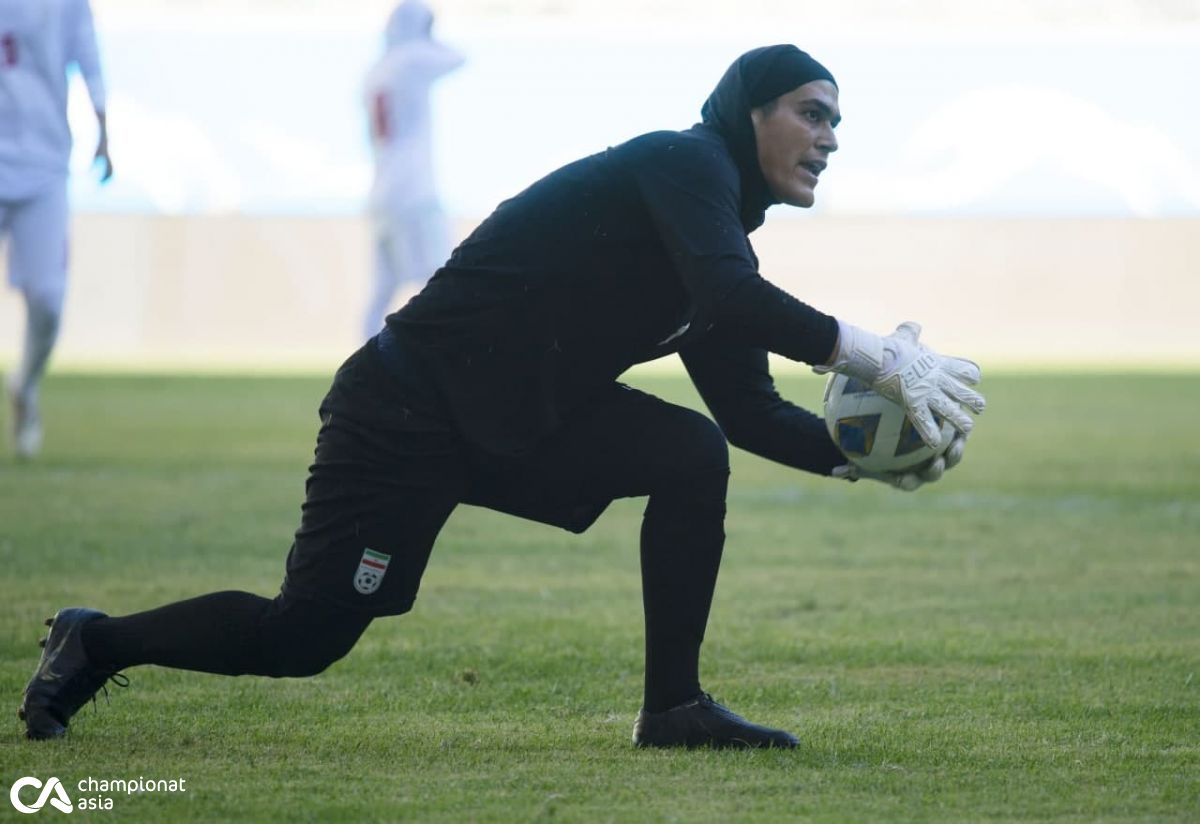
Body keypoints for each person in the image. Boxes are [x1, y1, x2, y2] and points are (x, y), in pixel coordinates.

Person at [19, 45, 985, 748]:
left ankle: (675, 708)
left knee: (694, 454)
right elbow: (736, 298)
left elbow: (747, 413)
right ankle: (95, 642)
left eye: (837, 124)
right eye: (811, 112)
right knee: (303, 637)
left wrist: (860, 457)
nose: (827, 138)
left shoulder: (718, 242)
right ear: (749, 112)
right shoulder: (686, 161)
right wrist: (870, 354)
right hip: (405, 408)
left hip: (514, 421)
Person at [1, 0, 112, 459]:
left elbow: (87, 54)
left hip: (44, 164)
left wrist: (105, 132)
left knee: (48, 299)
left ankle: (24, 387)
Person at [361, 0, 464, 341]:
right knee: (441, 279)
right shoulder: (412, 59)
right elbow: (458, 57)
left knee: (382, 288)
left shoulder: (377, 70)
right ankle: (441, 351)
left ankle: (363, 361)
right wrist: (426, 35)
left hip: (381, 191)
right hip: (414, 190)